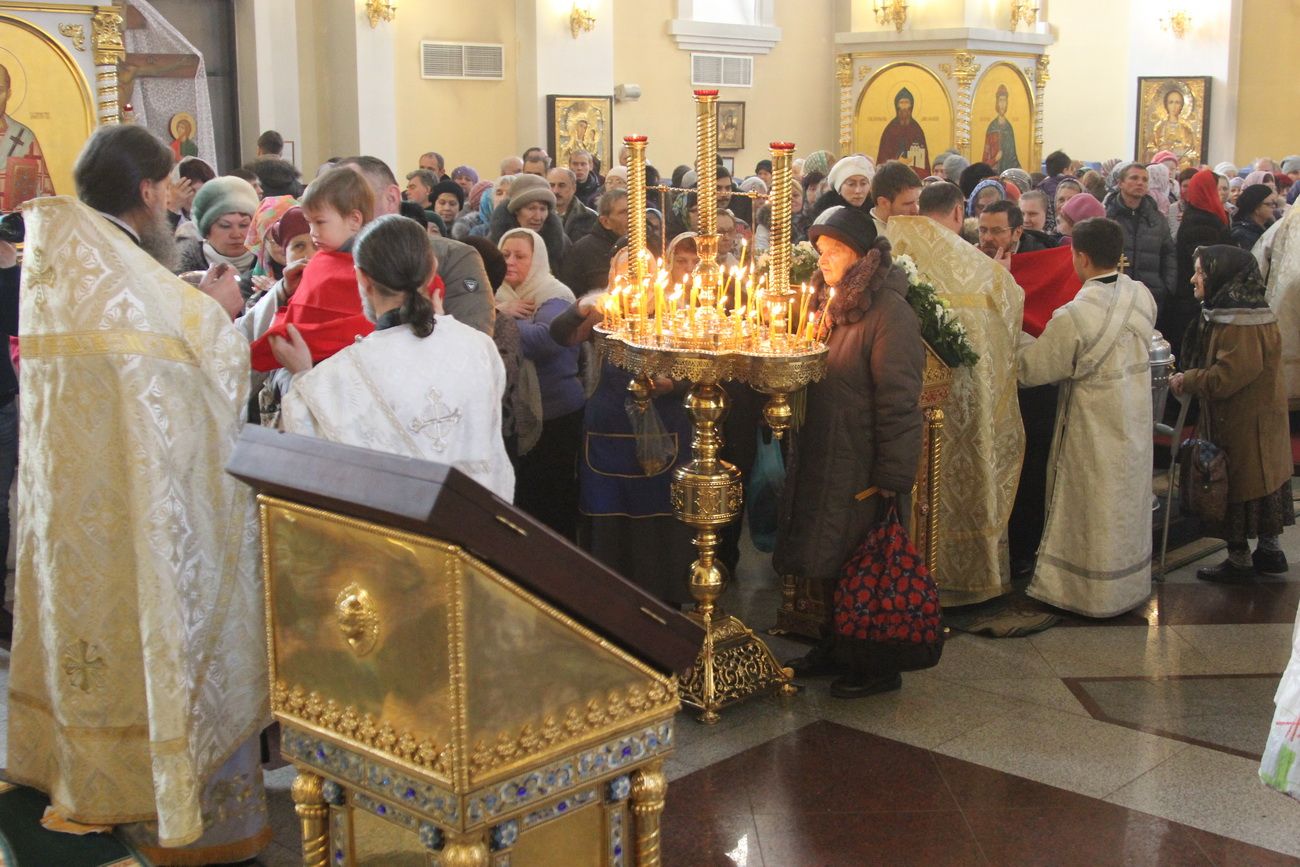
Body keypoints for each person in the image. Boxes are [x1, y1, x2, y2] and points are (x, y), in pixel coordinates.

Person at [10, 123, 267, 865]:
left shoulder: (64, 262)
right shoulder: (130, 277)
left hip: (77, 514)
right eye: (170, 191)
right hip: (145, 514)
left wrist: (188, 305)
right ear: (150, 191)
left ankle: (82, 771)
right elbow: (205, 375)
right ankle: (164, 798)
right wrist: (218, 314)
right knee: (159, 627)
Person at [775, 207, 925, 698]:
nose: (823, 260)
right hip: (827, 452)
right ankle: (834, 645)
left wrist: (893, 476)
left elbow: (900, 401)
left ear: (862, 255)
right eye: (820, 251)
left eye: (834, 251)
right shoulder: (830, 305)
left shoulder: (890, 314)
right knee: (830, 558)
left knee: (865, 562)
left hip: (863, 463)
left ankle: (875, 665)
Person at [273, 214, 512, 499]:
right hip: (475, 518)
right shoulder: (479, 347)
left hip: (397, 525)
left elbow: (304, 463)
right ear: (432, 270)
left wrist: (302, 374)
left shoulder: (337, 375)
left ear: (362, 278)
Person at [1016, 217, 1157, 617]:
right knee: (1124, 501)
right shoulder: (1142, 295)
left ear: (1079, 257)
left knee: (1091, 503)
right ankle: (1127, 586)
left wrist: (1013, 337)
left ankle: (1086, 594)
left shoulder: (1075, 315)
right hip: (1133, 420)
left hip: (1092, 426)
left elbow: (1032, 370)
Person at [890, 214, 1026, 607]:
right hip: (967, 412)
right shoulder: (987, 275)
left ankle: (909, 580)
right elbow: (1012, 312)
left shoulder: (907, 263)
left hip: (915, 410)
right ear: (956, 215)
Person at [1170, 246, 1293, 581]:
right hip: (1255, 420)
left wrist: (1189, 379)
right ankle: (1269, 552)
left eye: (1201, 272)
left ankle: (1240, 561)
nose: (1193, 279)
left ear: (1222, 276)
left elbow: (1228, 377)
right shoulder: (1239, 312)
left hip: (1242, 423)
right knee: (1262, 483)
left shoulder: (1240, 323)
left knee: (1241, 487)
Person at [342, 156, 494, 335]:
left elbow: (473, 339)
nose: (342, 211)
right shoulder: (326, 261)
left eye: (352, 199)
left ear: (391, 198)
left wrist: (435, 332)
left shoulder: (453, 257)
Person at [497, 227, 583, 539]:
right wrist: (501, 309)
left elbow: (545, 340)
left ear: (537, 261)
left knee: (551, 500)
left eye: (520, 256)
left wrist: (499, 318)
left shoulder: (554, 294)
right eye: (505, 255)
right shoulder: (497, 295)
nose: (510, 261)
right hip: (512, 414)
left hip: (555, 412)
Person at [249, 166, 374, 371]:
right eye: (309, 223)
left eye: (320, 222)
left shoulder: (374, 266)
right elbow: (300, 311)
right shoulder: (320, 261)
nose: (313, 232)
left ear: (354, 220)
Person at [1168, 169, 1232, 359]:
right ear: (1207, 191)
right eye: (1217, 189)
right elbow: (1206, 266)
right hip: (1195, 300)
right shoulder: (1201, 222)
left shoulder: (1202, 217)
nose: (1222, 194)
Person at [1105, 162, 1176, 308]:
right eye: (1134, 178)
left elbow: (1169, 254)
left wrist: (1166, 288)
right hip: (1113, 296)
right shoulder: (1107, 217)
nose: (1140, 183)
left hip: (1150, 295)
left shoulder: (1157, 219)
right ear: (1120, 183)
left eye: (1144, 179)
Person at [176, 175, 261, 283]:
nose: (236, 234)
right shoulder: (183, 264)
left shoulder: (271, 261)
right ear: (206, 231)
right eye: (225, 226)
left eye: (243, 225)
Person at [0, 64, 54, 209]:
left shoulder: (23, 138)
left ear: (8, 94)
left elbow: (44, 197)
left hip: (16, 221)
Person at [490, 172, 571, 270]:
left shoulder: (561, 245)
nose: (538, 217)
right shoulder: (493, 245)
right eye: (531, 208)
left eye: (543, 209)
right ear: (516, 211)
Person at [562, 189, 627, 294]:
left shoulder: (647, 243)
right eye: (624, 212)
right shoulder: (583, 251)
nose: (632, 216)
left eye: (634, 210)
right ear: (605, 222)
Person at [877, 87, 930, 174]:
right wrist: (897, 161)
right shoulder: (890, 129)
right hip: (892, 173)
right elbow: (883, 157)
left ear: (911, 105)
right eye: (902, 103)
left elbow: (923, 160)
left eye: (906, 102)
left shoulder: (916, 129)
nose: (904, 107)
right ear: (897, 105)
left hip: (913, 174)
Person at [868, 160, 922, 238]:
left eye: (917, 201)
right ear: (883, 203)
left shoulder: (920, 227)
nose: (916, 210)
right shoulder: (863, 236)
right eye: (908, 204)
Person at [550, 166, 598, 242]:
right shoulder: (540, 216)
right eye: (552, 185)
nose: (556, 191)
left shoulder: (590, 217)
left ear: (573, 188)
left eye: (562, 185)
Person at [981, 84, 1020, 171]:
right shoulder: (992, 128)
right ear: (997, 103)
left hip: (1008, 174)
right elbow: (984, 161)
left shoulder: (1009, 128)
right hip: (993, 173)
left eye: (1004, 101)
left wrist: (1020, 172)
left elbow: (1013, 157)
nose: (1002, 104)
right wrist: (995, 159)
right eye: (1000, 100)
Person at [1232, 183, 1276, 251]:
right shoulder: (1242, 234)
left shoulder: (1269, 226)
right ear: (1256, 208)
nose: (1273, 206)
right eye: (1269, 204)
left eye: (1274, 203)